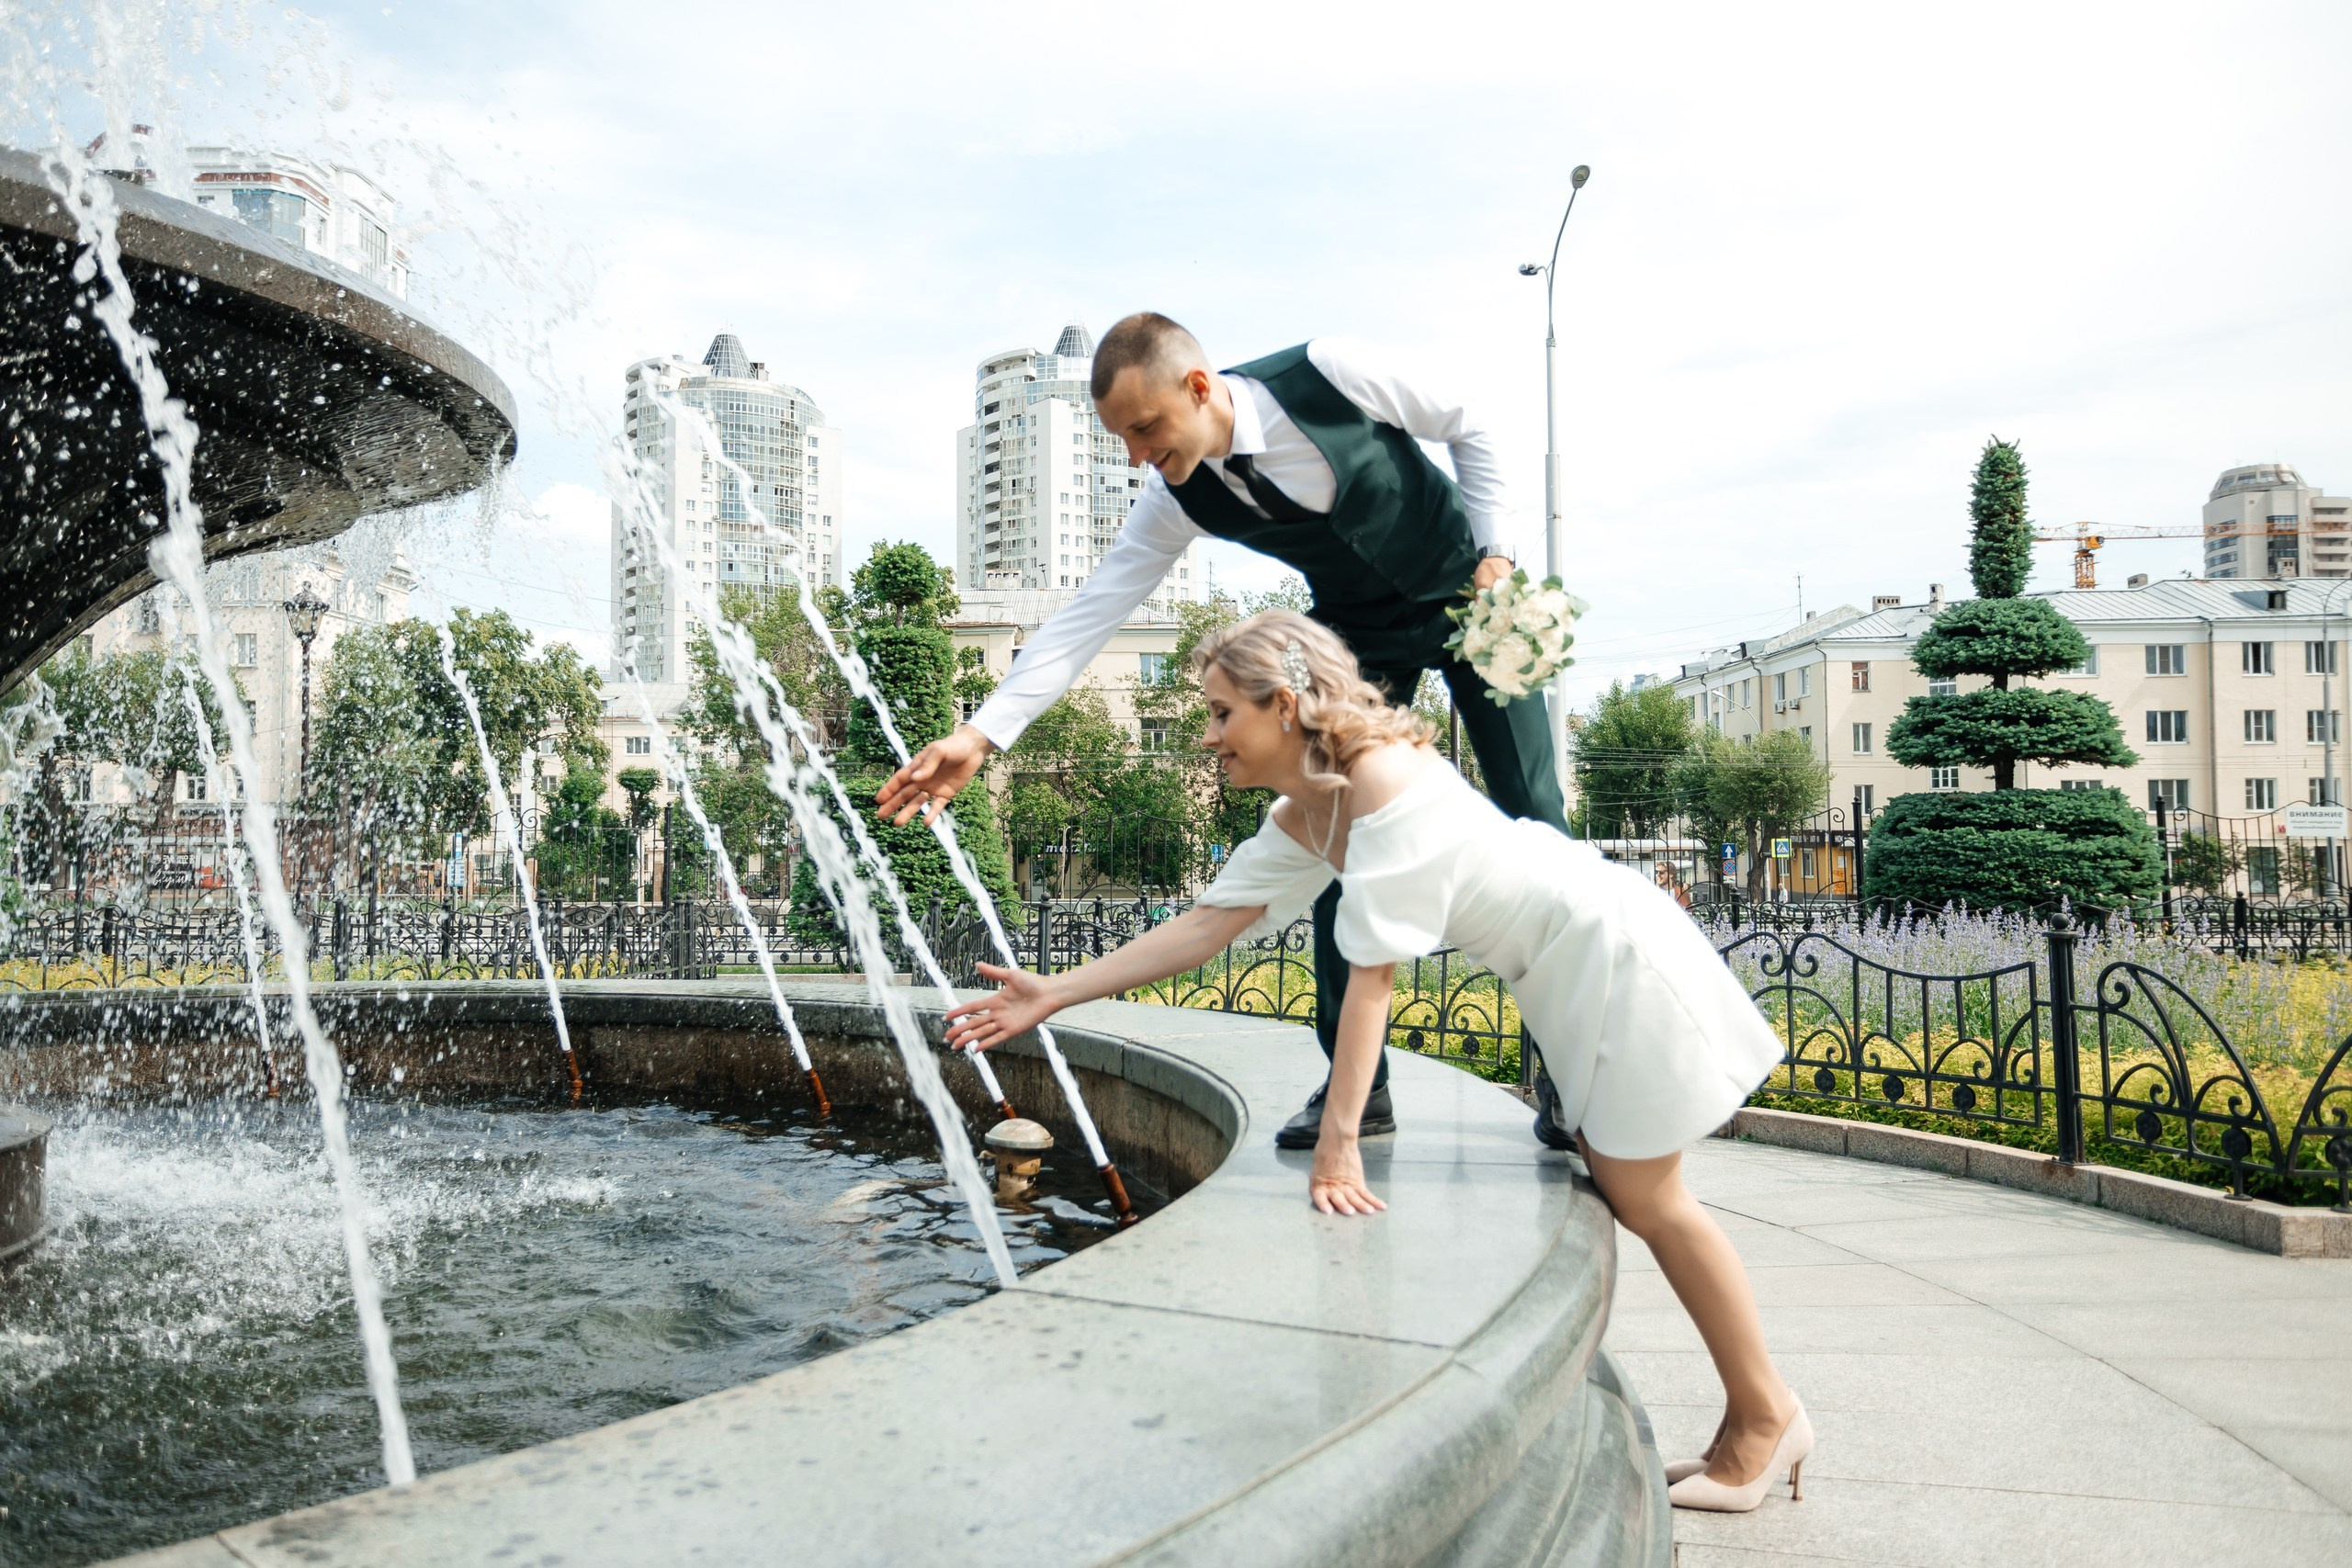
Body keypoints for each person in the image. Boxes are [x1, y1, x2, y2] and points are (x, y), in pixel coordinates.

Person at [943, 612, 1810, 1513]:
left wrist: (1339, 1144)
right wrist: (1054, 992)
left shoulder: (1383, 783)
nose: (1205, 739)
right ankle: (1751, 1420)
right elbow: (1208, 925)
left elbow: (1371, 983)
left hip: (1608, 955)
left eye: (1217, 713)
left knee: (1651, 1199)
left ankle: (1764, 1418)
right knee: (1640, 1195)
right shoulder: (1307, 810)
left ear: (1282, 707)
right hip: (1564, 969)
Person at [879, 312, 1567, 1154]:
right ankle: (1360, 1085)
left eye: (1144, 428)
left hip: (1472, 596)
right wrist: (982, 735)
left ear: (1198, 388)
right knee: (1332, 825)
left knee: (1536, 812)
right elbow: (1096, 609)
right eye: (1120, 438)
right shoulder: (1176, 494)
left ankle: (1569, 1074)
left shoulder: (1328, 372)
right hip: (1360, 638)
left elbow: (1472, 422)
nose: (1135, 454)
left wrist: (1494, 552)